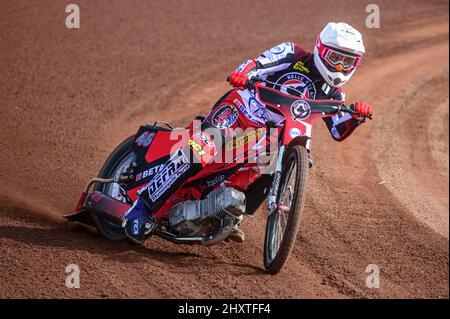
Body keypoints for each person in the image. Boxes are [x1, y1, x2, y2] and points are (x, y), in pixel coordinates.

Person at [122, 22, 373, 244]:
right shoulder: (293, 53)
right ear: (320, 50)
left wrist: (356, 117)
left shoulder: (335, 95)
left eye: (348, 61)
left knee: (273, 165)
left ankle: (225, 215)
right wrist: (244, 74)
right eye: (335, 58)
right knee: (202, 150)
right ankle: (141, 207)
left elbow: (339, 130)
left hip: (269, 138)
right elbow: (258, 63)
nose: (340, 67)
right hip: (241, 110)